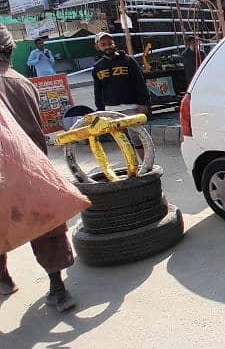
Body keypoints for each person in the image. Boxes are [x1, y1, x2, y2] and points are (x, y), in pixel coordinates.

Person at [0, 24, 76, 312]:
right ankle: (58, 289)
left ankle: (4, 279)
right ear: (12, 49)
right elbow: (36, 131)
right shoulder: (23, 83)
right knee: (47, 227)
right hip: (31, 168)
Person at [92, 32, 150, 156]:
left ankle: (147, 167)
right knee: (122, 141)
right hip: (111, 110)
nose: (108, 46)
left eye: (110, 43)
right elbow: (98, 91)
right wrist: (100, 111)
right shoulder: (97, 67)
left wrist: (144, 103)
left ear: (114, 44)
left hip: (131, 107)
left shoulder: (128, 61)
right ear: (98, 47)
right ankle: (133, 169)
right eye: (103, 44)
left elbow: (140, 83)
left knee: (138, 139)